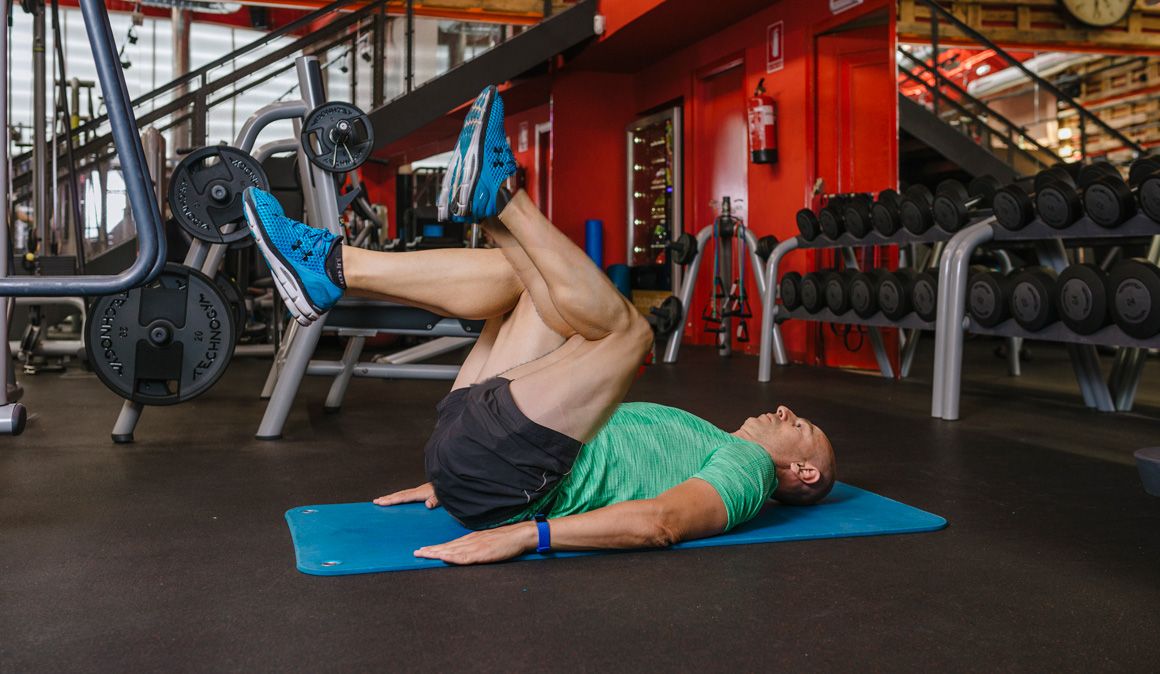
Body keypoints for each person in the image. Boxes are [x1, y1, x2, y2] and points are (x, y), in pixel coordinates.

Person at [242, 86, 835, 566]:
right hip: (480, 454)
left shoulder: (751, 471)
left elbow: (662, 523)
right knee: (524, 281)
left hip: (504, 477)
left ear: (802, 471)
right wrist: (448, 482)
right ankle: (331, 266)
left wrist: (529, 536)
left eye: (800, 425)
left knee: (630, 335)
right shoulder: (710, 441)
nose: (784, 411)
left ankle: (502, 200)